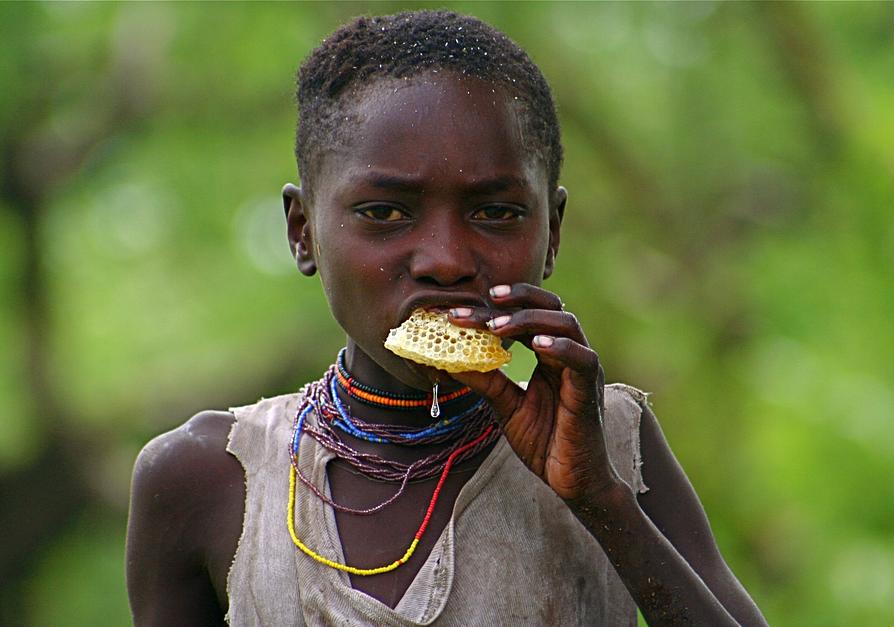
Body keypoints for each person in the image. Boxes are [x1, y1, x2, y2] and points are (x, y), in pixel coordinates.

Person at [126, 10, 767, 626]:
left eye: (496, 213)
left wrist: (601, 501)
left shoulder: (616, 444)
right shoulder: (210, 477)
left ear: (553, 234)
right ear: (303, 234)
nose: (446, 260)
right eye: (384, 213)